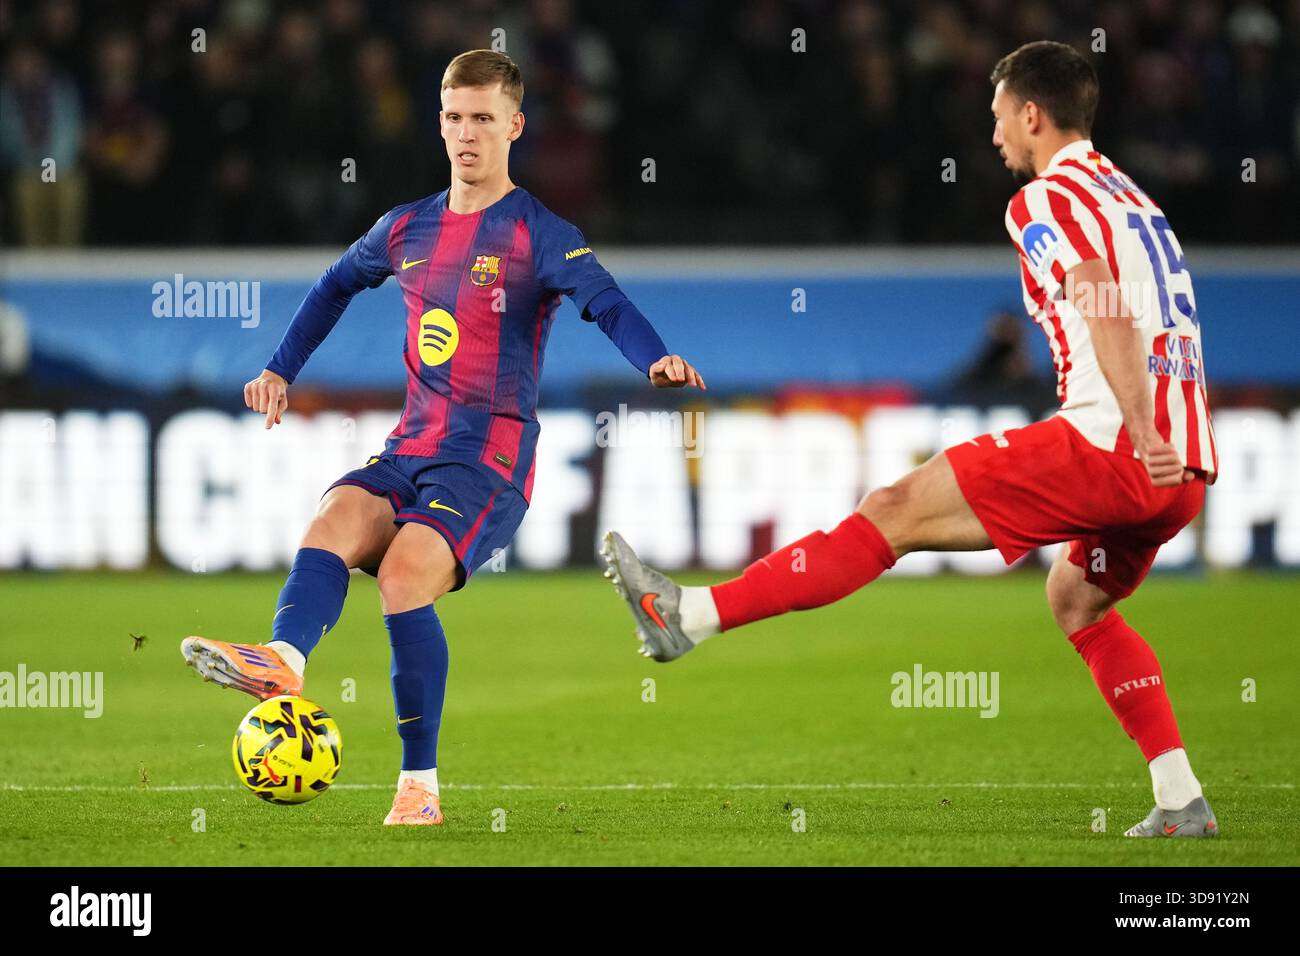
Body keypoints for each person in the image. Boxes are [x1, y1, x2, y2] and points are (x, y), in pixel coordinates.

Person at [601, 40, 1217, 839]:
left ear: (1032, 115)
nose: (994, 136)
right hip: (1184, 467)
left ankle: (691, 615)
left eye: (999, 118)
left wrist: (1136, 428)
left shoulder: (1045, 199)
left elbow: (1103, 304)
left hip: (1116, 447)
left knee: (891, 508)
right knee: (1076, 598)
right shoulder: (1133, 197)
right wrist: (1158, 439)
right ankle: (1180, 798)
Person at [181, 50, 705, 826]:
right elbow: (333, 286)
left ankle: (419, 787)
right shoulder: (405, 227)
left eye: (484, 119)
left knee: (402, 579)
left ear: (515, 126)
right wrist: (280, 369)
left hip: (488, 460)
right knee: (334, 520)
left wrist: (653, 354)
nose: (466, 134)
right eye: (455, 117)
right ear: (440, 121)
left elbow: (607, 302)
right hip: (411, 445)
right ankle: (283, 662)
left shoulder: (539, 233)